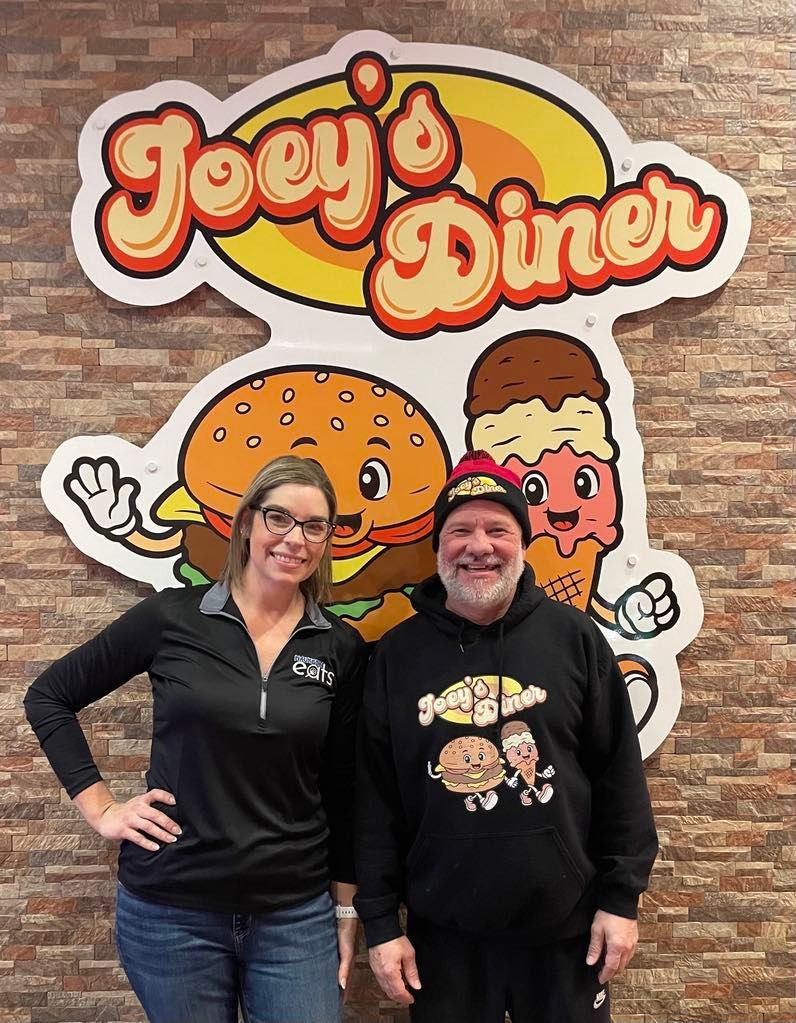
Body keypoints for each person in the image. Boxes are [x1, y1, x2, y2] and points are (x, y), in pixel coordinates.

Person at [25, 455, 368, 1023]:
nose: (294, 540)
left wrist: (347, 911)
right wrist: (102, 808)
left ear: (329, 538)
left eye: (314, 526)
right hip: (170, 911)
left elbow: (345, 788)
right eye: (279, 518)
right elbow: (48, 697)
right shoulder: (173, 617)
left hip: (294, 916)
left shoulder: (341, 647)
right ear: (246, 522)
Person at [354, 450, 658, 1023]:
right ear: (438, 546)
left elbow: (618, 773)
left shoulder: (574, 638)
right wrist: (377, 923)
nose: (479, 546)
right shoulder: (396, 655)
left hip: (567, 932)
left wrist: (621, 900)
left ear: (523, 542)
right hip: (442, 938)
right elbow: (374, 800)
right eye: (459, 530)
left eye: (498, 528)